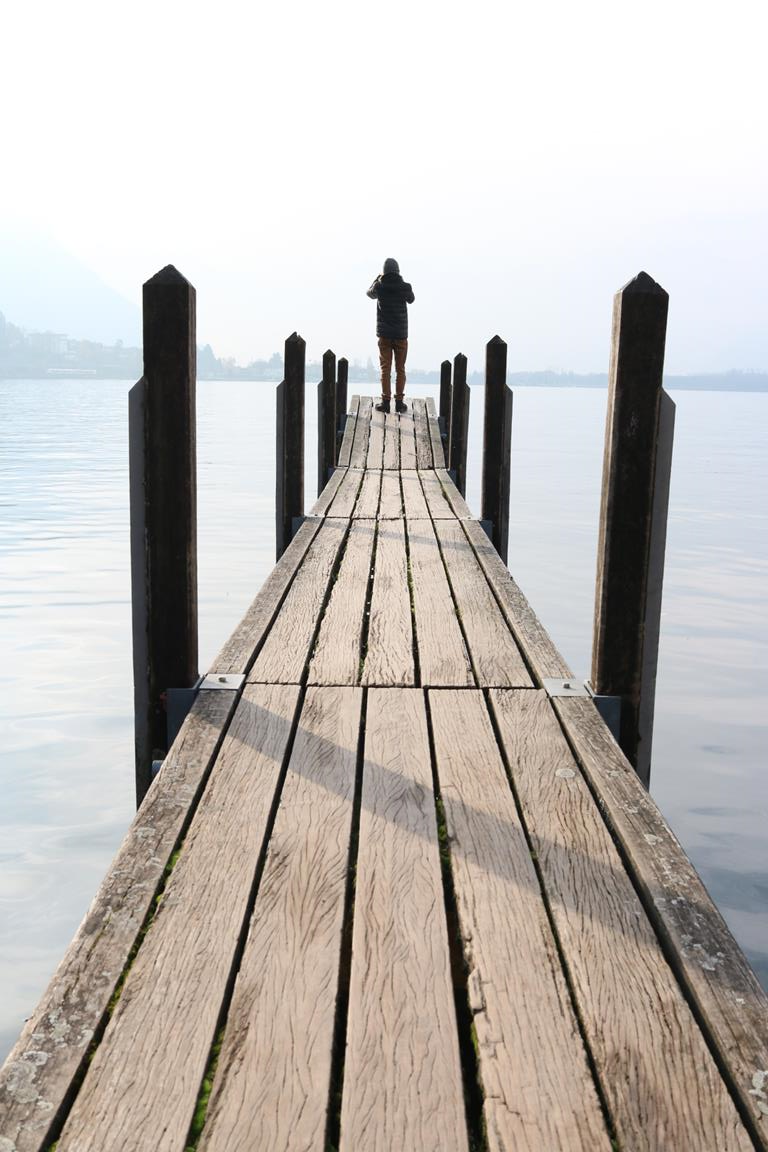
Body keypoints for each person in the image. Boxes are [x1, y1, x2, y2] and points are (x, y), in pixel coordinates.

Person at [366, 258, 415, 413]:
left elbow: (369, 293)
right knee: (400, 369)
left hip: (385, 335)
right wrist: (402, 281)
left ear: (384, 272)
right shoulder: (405, 287)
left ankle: (386, 402)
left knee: (385, 369)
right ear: (398, 271)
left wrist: (377, 278)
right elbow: (411, 299)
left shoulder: (379, 286)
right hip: (401, 335)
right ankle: (399, 403)